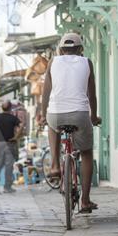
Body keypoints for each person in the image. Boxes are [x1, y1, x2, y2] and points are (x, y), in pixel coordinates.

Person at [40, 32, 101, 213]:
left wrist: (44, 116)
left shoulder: (53, 63)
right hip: (80, 115)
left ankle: (55, 165)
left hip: (56, 115)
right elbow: (92, 95)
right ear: (80, 49)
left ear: (61, 49)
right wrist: (94, 117)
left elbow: (45, 94)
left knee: (52, 125)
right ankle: (85, 200)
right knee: (86, 153)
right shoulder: (87, 62)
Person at [0, 100, 23, 193]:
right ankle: (7, 187)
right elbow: (21, 125)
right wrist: (16, 137)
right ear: (10, 108)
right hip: (10, 143)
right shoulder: (13, 118)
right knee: (9, 166)